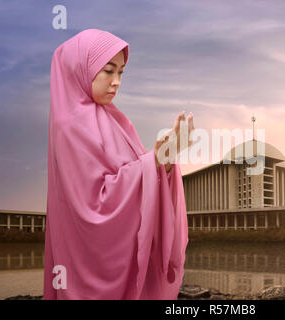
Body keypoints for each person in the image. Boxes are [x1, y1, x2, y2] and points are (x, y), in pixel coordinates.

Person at [44, 28, 192, 300]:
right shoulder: (70, 125)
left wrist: (165, 163)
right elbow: (92, 204)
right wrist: (155, 161)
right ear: (81, 69)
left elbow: (137, 175)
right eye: (108, 71)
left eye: (121, 72)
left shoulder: (117, 120)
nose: (116, 82)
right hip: (88, 262)